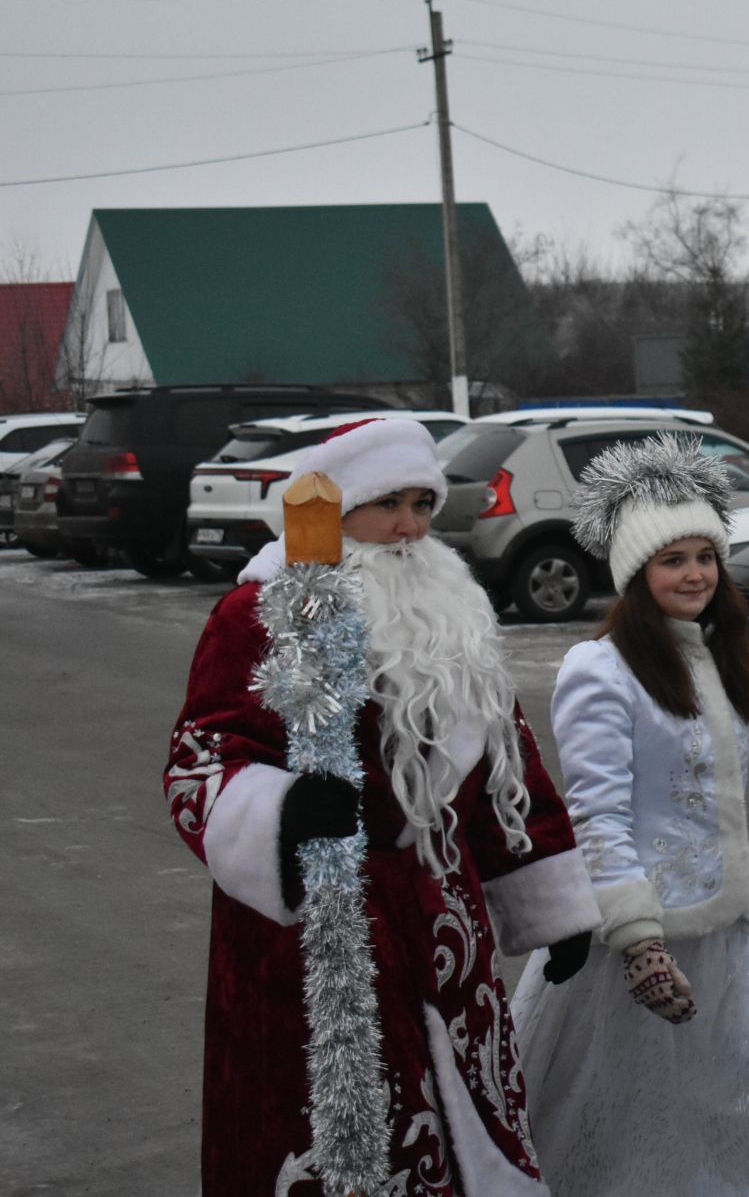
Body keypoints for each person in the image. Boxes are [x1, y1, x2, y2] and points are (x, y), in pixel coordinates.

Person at [163, 417, 603, 1195]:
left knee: (467, 1132)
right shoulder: (259, 614)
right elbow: (202, 755)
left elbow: (506, 756)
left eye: (421, 504)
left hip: (444, 925)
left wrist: (547, 891)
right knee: (331, 1137)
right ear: (333, 513)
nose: (408, 527)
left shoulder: (453, 608)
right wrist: (277, 812)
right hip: (310, 932)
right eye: (385, 505)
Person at [511, 436, 749, 1196]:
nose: (693, 574)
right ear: (635, 573)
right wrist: (638, 942)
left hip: (732, 934)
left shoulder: (716, 658)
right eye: (671, 560)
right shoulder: (600, 671)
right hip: (640, 946)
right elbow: (597, 816)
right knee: (637, 1136)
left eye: (704, 556)